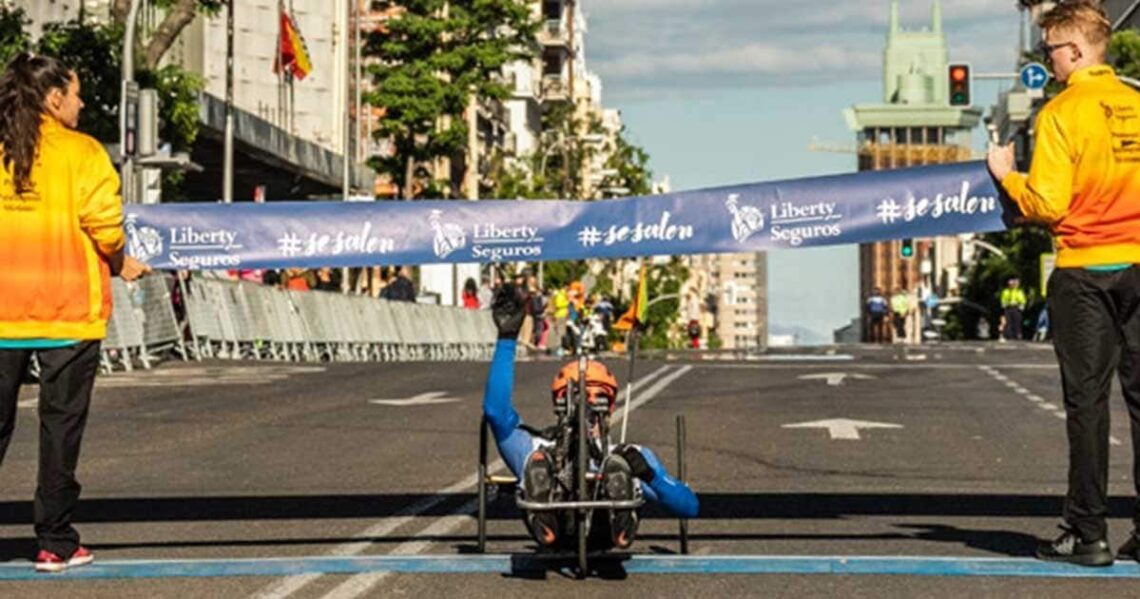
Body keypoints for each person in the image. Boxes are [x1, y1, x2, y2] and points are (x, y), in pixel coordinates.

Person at [987, 2, 1140, 567]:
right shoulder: (1137, 103)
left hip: (1085, 271)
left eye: (1049, 49)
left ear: (1075, 50)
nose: (1046, 59)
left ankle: (1087, 533)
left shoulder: (1061, 112)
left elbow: (1048, 203)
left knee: (1088, 404)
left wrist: (1008, 177)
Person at [0, 54, 149, 572]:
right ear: (54, 98)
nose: (82, 104)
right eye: (77, 94)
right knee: (60, 430)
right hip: (67, 311)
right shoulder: (83, 153)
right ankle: (54, 541)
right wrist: (120, 260)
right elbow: (104, 224)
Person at [482, 285, 698, 550]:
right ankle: (543, 512)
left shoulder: (631, 454)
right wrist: (507, 338)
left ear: (609, 406)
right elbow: (495, 411)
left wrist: (651, 477)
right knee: (538, 462)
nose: (588, 406)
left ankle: (621, 517)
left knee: (618, 464)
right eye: (579, 397)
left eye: (597, 397)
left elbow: (690, 507)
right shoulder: (536, 447)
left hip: (605, 533)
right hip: (556, 530)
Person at [1000, 277, 1028, 341]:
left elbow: (1023, 300)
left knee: (1017, 322)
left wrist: (1020, 305)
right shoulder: (1006, 291)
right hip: (1008, 308)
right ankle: (1009, 335)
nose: (1012, 285)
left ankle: (1017, 334)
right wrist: (1005, 304)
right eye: (1011, 284)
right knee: (1008, 322)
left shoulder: (1019, 291)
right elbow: (1003, 300)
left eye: (1013, 284)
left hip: (1016, 308)